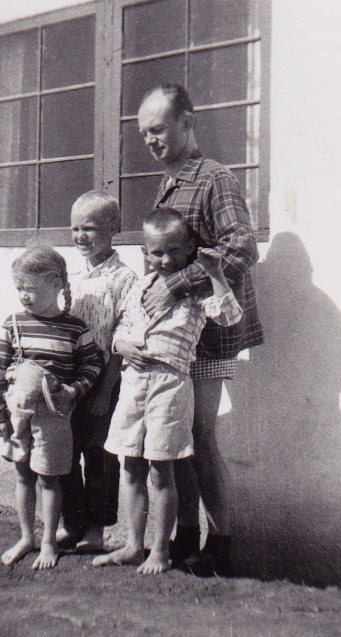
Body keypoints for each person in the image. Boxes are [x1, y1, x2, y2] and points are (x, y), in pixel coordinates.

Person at [137, 82, 264, 576]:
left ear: (188, 123)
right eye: (145, 132)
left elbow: (242, 249)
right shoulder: (170, 182)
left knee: (200, 436)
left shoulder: (214, 179)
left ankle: (222, 544)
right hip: (176, 336)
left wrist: (175, 287)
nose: (151, 139)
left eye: (160, 128)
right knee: (176, 435)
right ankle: (187, 534)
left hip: (210, 333)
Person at [92, 208, 243, 575]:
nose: (165, 259)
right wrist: (120, 347)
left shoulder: (194, 291)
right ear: (145, 252)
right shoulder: (140, 286)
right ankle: (133, 545)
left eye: (174, 251)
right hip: (132, 382)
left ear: (190, 247)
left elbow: (228, 316)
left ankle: (160, 550)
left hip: (170, 384)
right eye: (156, 252)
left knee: (162, 469)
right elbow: (122, 328)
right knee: (130, 465)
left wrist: (215, 272)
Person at [0, 247, 102, 570]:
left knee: (49, 479)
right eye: (20, 289)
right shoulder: (12, 324)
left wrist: (73, 390)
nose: (24, 296)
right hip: (19, 416)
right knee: (22, 474)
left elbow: (92, 366)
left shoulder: (75, 329)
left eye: (31, 288)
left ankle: (50, 541)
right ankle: (27, 537)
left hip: (55, 417)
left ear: (55, 284)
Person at [57, 191, 136, 552]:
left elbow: (122, 336)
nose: (80, 236)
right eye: (74, 228)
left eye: (89, 228)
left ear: (113, 228)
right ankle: (72, 522)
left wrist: (105, 389)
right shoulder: (70, 276)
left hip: (106, 380)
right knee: (66, 451)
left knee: (100, 455)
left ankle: (96, 529)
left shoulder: (125, 278)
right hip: (71, 381)